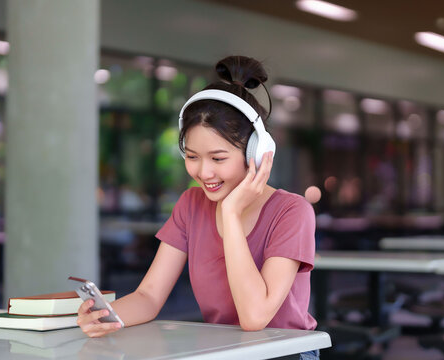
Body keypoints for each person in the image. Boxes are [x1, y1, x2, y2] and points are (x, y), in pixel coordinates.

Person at [77, 56, 319, 359]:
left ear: (258, 153)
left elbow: (255, 317)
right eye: (192, 157)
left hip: (287, 353)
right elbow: (149, 296)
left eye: (218, 159)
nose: (204, 173)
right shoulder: (191, 205)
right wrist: (107, 316)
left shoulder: (291, 211)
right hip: (222, 351)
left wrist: (230, 214)